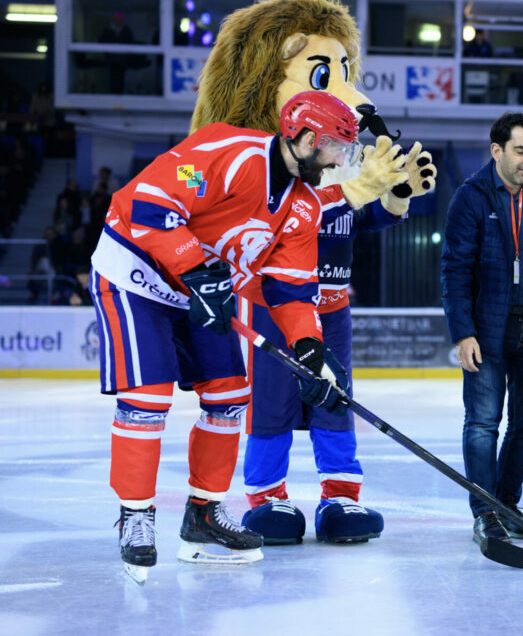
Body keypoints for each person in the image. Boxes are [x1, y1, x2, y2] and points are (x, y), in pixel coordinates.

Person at [89, 91, 364, 579]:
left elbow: (290, 290)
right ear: (303, 138)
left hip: (201, 289)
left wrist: (312, 351)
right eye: (335, 149)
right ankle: (136, 515)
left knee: (231, 395)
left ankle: (203, 515)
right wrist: (196, 270)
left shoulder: (304, 207)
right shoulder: (229, 151)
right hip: (135, 274)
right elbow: (151, 204)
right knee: (146, 400)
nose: (340, 161)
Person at [239, 147, 432, 545]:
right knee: (273, 403)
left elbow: (371, 217)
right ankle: (266, 497)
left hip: (332, 310)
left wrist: (398, 194)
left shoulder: (348, 183)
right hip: (276, 306)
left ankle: (341, 497)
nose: (344, 150)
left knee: (336, 399)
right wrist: (355, 189)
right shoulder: (284, 182)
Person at [441, 112, 523, 544]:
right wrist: (463, 333)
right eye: (520, 151)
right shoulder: (471, 196)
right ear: (496, 150)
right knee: (482, 422)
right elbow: (455, 269)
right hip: (486, 329)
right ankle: (485, 510)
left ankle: (507, 504)